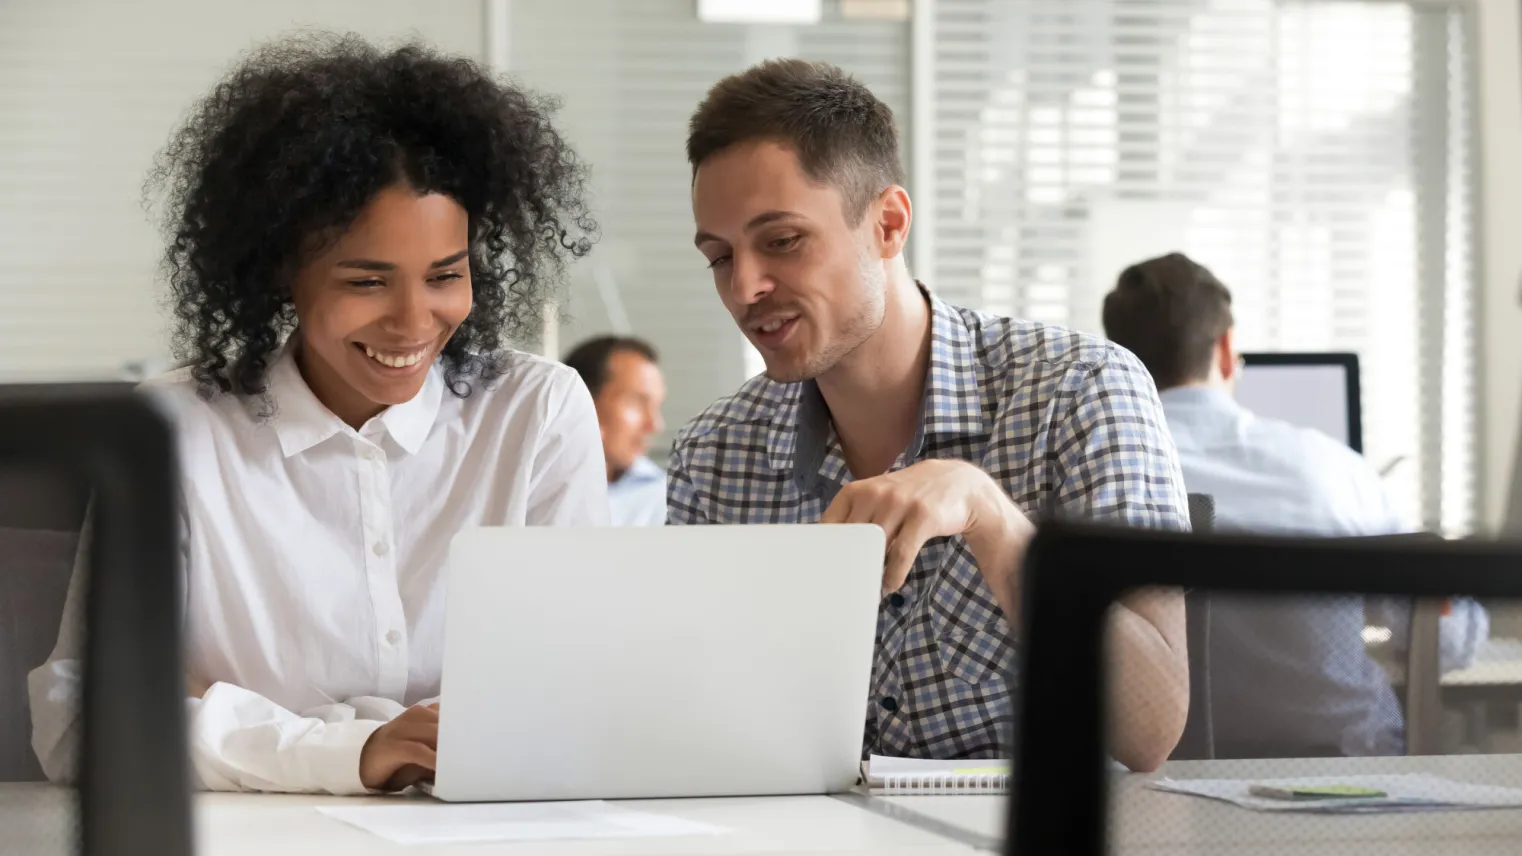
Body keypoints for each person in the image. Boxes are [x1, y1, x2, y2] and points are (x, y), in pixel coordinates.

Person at [29, 33, 605, 794]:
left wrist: (227, 722)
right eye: (366, 282)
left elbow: (582, 691)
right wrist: (349, 751)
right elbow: (78, 716)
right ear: (282, 268)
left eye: (445, 276)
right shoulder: (178, 429)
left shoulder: (537, 412)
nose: (413, 321)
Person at [670, 59, 1192, 772]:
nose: (745, 287)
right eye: (719, 257)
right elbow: (697, 724)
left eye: (782, 241)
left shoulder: (1079, 391)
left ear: (887, 224)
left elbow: (1151, 731)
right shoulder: (714, 454)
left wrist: (991, 516)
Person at [1102, 252, 1488, 757]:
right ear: (1226, 349)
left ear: (1117, 357)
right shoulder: (1334, 470)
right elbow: (1447, 642)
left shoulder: (1104, 478)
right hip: (1349, 778)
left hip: (1160, 780)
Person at [563, 335, 668, 525]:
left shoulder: (668, 500)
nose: (655, 424)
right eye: (637, 401)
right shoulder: (528, 487)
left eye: (655, 405)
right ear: (583, 403)